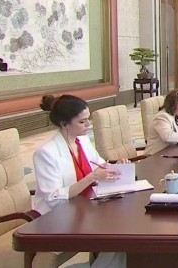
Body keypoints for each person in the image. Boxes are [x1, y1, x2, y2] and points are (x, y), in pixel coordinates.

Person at [33, 94, 126, 268]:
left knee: (122, 228)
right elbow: (53, 198)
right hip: (58, 216)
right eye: (82, 122)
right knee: (117, 232)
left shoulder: (82, 141)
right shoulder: (46, 153)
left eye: (88, 119)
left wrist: (116, 166)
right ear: (64, 124)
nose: (89, 125)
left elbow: (99, 164)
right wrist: (91, 177)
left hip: (85, 208)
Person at [145, 89, 178, 155]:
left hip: (169, 153)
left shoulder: (176, 116)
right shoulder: (162, 117)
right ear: (175, 102)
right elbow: (168, 136)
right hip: (155, 156)